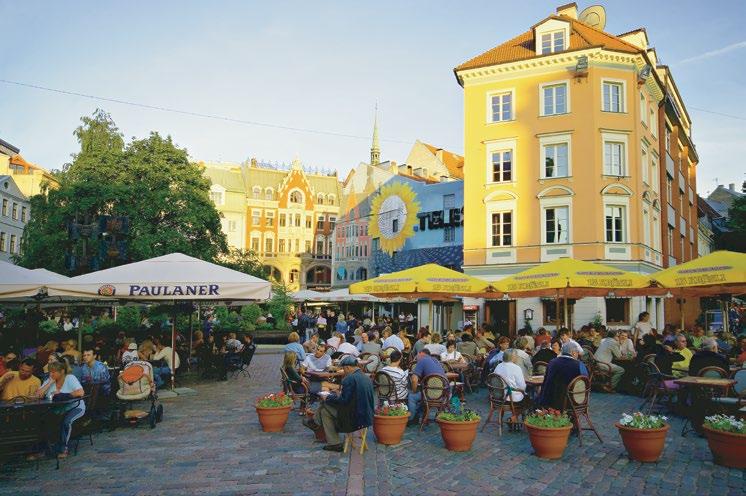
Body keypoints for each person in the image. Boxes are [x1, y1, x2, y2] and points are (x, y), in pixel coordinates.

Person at [304, 356, 375, 452]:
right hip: (366, 416)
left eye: (343, 369)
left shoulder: (349, 379)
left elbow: (343, 401)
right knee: (325, 412)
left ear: (348, 368)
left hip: (354, 419)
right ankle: (334, 443)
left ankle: (315, 422)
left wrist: (328, 397)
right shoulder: (366, 377)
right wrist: (336, 395)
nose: (343, 371)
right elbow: (351, 398)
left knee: (326, 403)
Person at [35, 361, 85, 459]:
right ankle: (44, 449)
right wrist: (49, 383)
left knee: (66, 422)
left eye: (54, 372)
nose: (51, 374)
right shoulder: (50, 379)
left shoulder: (70, 378)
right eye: (50, 372)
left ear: (62, 371)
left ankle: (64, 448)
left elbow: (80, 392)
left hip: (75, 407)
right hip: (58, 409)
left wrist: (65, 395)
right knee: (41, 421)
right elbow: (38, 395)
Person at [537, 341, 589, 410]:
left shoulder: (552, 362)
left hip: (551, 401)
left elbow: (546, 381)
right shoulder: (579, 365)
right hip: (572, 402)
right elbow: (586, 381)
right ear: (573, 352)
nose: (577, 355)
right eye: (577, 352)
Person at [406, 349, 446, 426]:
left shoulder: (422, 360)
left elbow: (414, 380)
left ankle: (411, 419)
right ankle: (419, 416)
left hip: (430, 395)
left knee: (412, 396)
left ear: (421, 353)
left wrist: (414, 391)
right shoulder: (435, 360)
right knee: (422, 393)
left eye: (417, 355)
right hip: (443, 394)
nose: (416, 357)